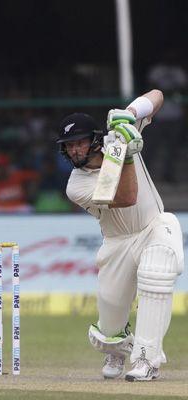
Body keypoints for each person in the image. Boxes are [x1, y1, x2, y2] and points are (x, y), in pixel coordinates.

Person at [56, 89, 184, 382]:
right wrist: (126, 155)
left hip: (154, 226)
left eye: (79, 143)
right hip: (117, 243)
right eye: (69, 146)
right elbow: (126, 197)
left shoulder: (119, 133)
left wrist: (132, 115)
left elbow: (158, 95)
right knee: (110, 324)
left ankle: (146, 360)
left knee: (157, 274)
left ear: (95, 139)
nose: (74, 150)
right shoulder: (76, 186)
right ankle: (118, 346)